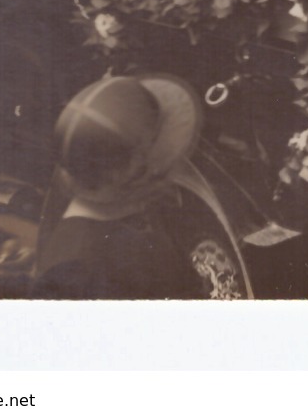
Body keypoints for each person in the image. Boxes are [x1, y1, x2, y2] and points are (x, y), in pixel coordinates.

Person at [33, 74, 209, 299]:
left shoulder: (130, 215)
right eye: (162, 160)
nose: (170, 172)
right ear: (133, 176)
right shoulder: (77, 270)